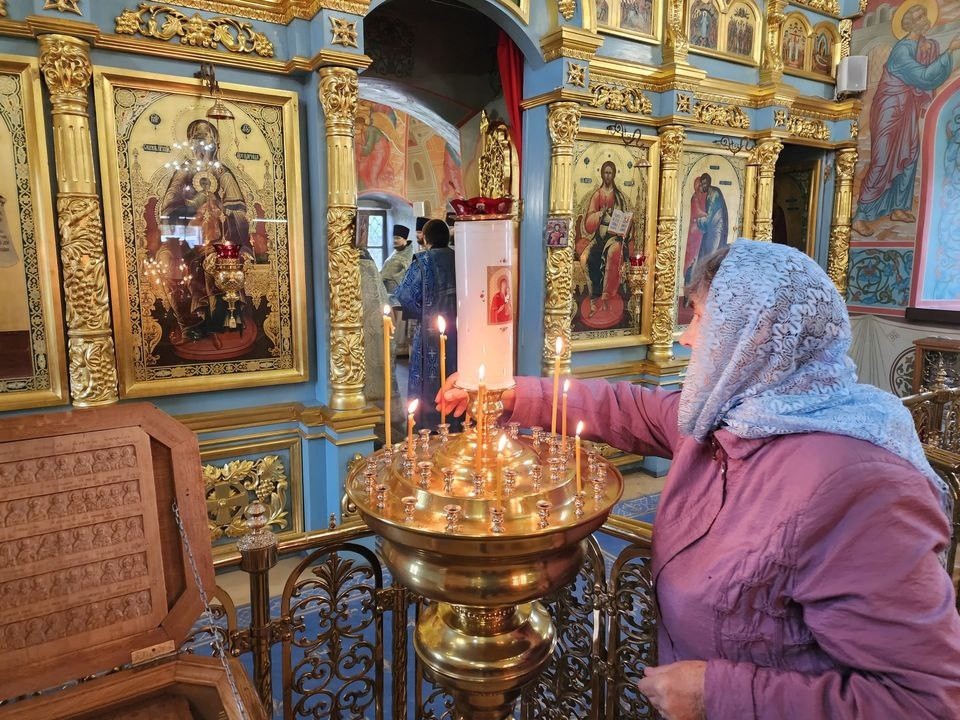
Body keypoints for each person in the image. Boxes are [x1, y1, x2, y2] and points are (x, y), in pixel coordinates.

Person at [437, 240, 960, 719]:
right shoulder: (737, 416)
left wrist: (719, 694)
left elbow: (923, 702)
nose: (686, 339)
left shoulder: (860, 488)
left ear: (752, 339)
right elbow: (632, 409)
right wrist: (511, 394)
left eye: (703, 320)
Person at [852, 3, 960, 237]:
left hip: (907, 107)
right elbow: (923, 77)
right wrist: (949, 51)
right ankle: (861, 215)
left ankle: (898, 207)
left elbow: (926, 77)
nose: (923, 20)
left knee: (909, 154)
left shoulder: (923, 45)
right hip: (890, 109)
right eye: (918, 17)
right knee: (882, 158)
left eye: (924, 16)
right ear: (910, 23)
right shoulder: (902, 50)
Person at [159, 118, 254, 343]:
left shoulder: (222, 172)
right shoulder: (184, 172)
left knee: (216, 261)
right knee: (167, 262)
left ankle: (222, 318)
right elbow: (169, 208)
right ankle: (189, 325)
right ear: (190, 143)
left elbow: (238, 209)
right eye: (196, 139)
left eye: (206, 139)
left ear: (216, 141)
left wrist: (223, 212)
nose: (201, 145)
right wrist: (196, 203)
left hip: (220, 240)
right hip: (187, 242)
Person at [394, 219, 458, 428]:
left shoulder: (423, 261)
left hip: (430, 334)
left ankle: (427, 429)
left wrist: (423, 312)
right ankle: (457, 426)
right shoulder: (461, 257)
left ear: (426, 239)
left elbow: (405, 295)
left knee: (428, 382)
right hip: (461, 333)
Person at [579, 160, 631, 320]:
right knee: (585, 258)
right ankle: (595, 299)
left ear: (614, 174)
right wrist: (599, 215)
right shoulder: (597, 194)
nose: (608, 175)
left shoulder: (619, 196)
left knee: (612, 254)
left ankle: (607, 299)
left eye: (610, 172)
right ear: (602, 174)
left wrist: (621, 225)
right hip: (598, 237)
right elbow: (588, 223)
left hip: (614, 237)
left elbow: (626, 220)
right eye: (605, 172)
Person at [682, 173, 728, 285]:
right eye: (701, 184)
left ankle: (709, 286)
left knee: (712, 258)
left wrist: (697, 221)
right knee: (703, 258)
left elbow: (708, 218)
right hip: (710, 231)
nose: (702, 186)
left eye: (704, 184)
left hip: (716, 231)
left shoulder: (713, 195)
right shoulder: (701, 196)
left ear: (708, 183)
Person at [381, 224, 415, 357]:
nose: (395, 240)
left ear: (405, 239)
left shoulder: (409, 254)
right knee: (393, 321)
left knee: (400, 322)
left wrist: (390, 276)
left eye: (398, 238)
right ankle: (394, 346)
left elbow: (408, 273)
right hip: (390, 292)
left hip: (401, 293)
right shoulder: (397, 252)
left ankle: (401, 350)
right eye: (394, 237)